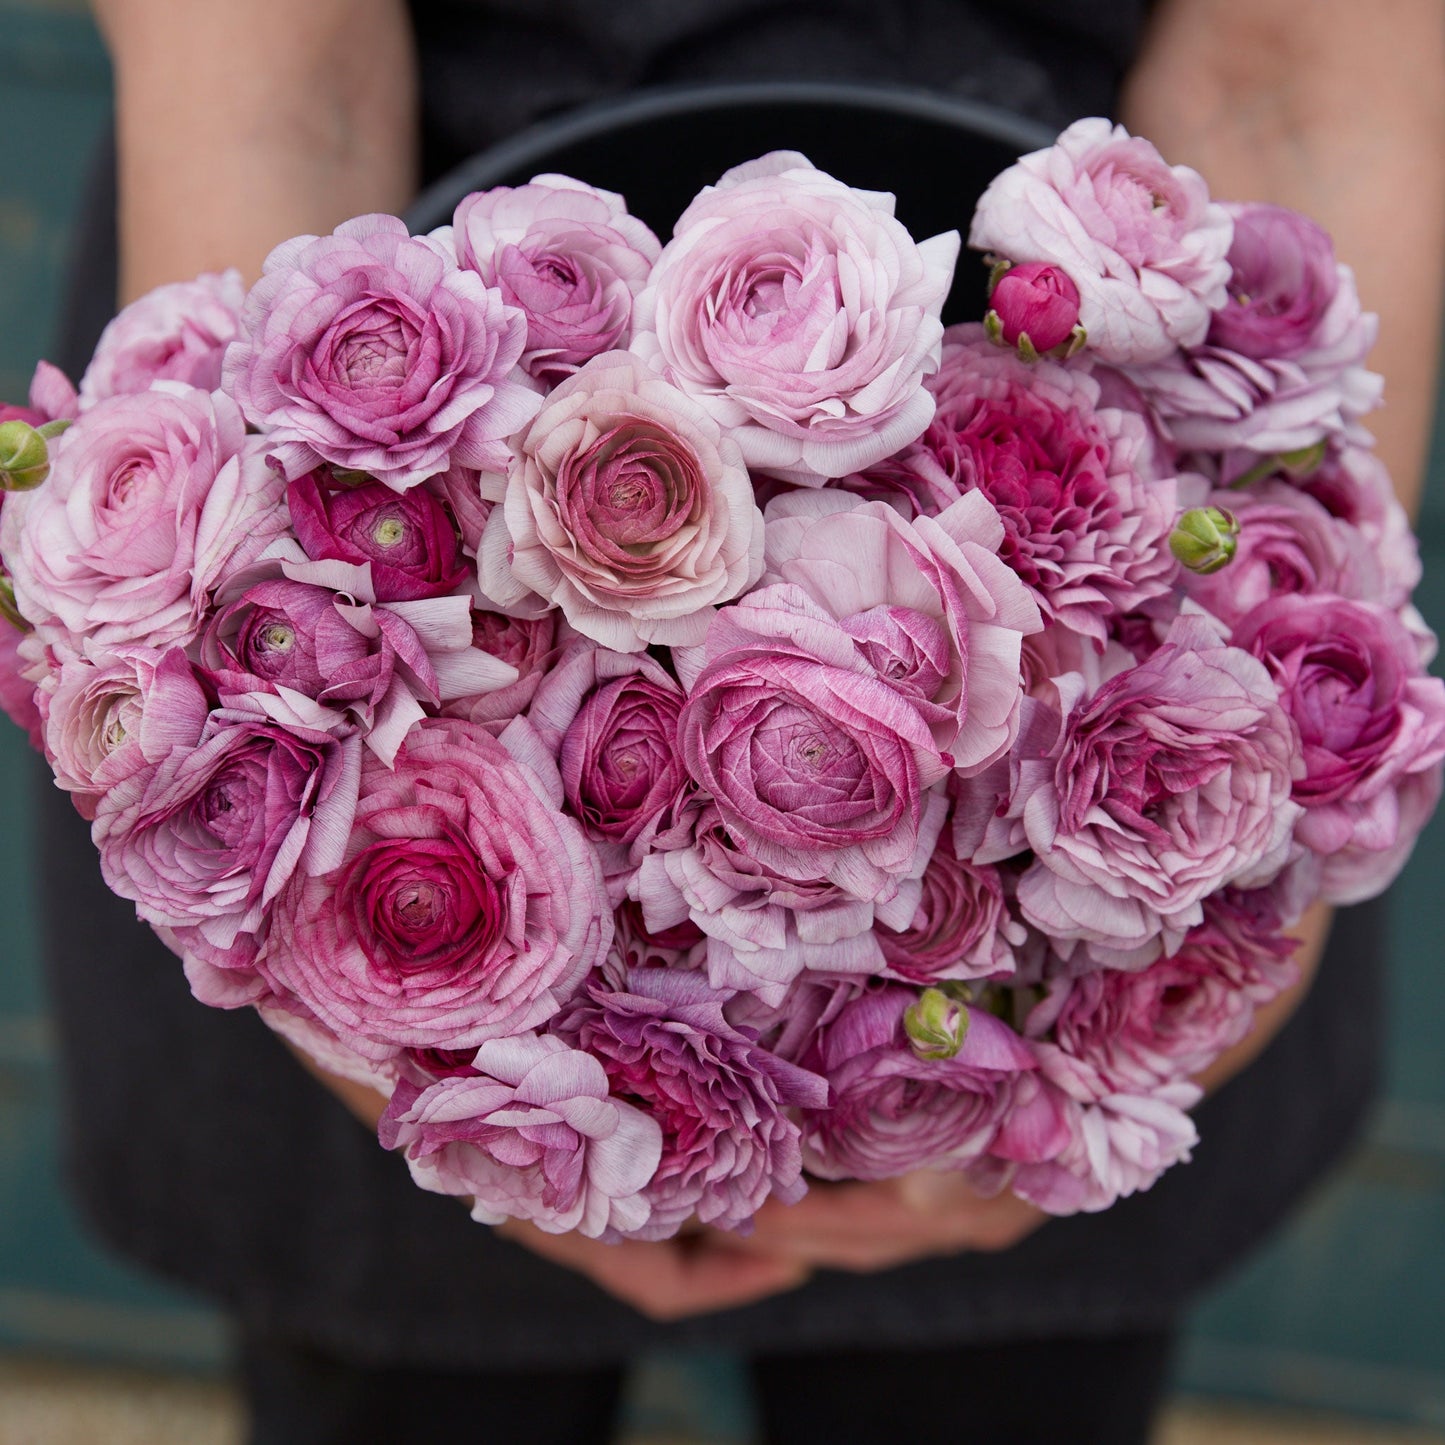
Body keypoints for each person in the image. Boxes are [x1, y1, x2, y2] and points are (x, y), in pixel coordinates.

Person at [38, 1, 1444, 1441]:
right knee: (413, 1383)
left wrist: (1273, 788)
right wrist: (366, 1006)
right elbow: (280, 84)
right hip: (390, 464)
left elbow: (1296, 91)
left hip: (1101, 521)